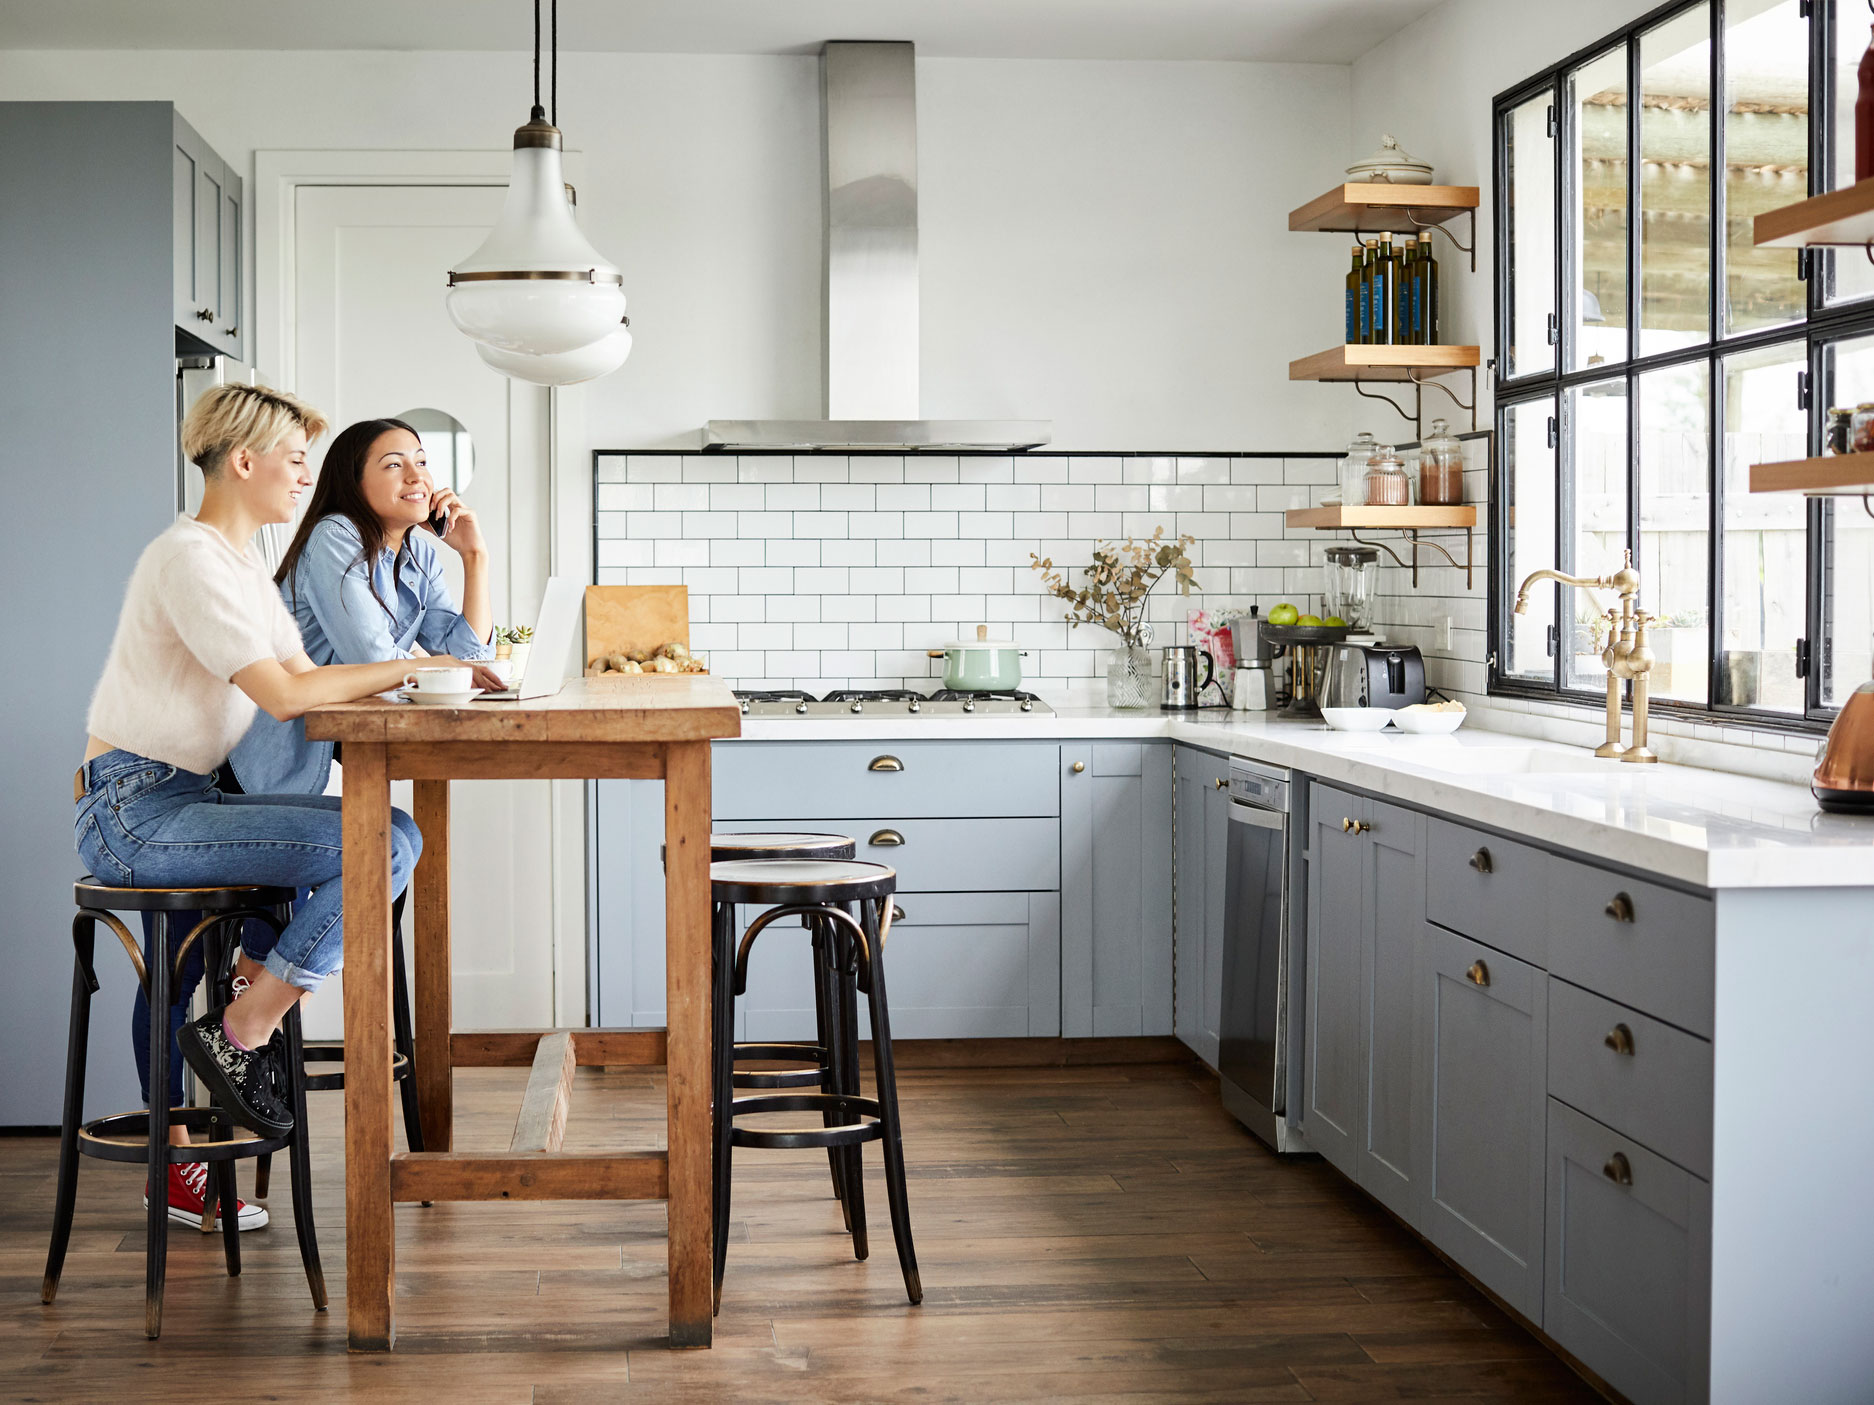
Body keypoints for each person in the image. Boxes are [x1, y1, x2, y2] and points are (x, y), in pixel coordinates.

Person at [75, 385, 500, 1218]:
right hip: (138, 809)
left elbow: (310, 681)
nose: (308, 475)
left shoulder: (238, 570)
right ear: (244, 462)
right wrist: (412, 667)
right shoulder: (189, 558)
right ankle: (227, 1059)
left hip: (184, 796)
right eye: (296, 458)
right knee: (374, 846)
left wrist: (433, 636)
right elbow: (283, 694)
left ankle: (241, 1028)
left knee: (392, 836)